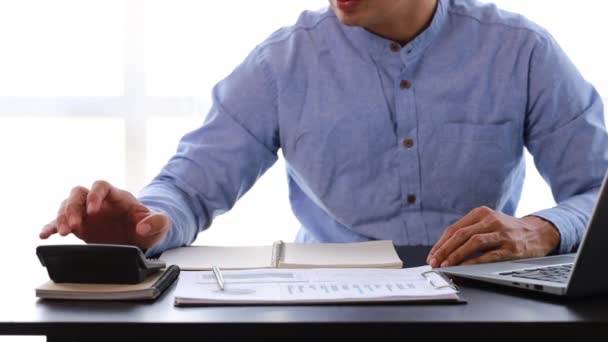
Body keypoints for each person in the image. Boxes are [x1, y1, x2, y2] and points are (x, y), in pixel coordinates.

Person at [40, 0, 607, 268]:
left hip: (485, 303)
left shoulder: (521, 51)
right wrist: (146, 223)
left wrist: (542, 229)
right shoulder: (281, 64)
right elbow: (187, 190)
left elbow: (597, 190)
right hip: (330, 306)